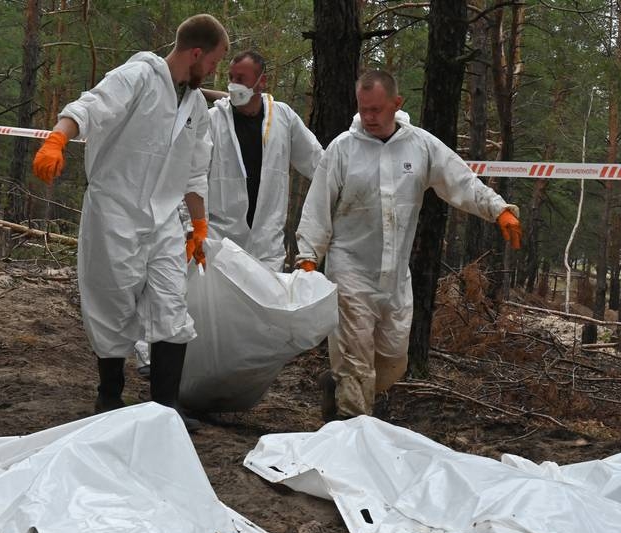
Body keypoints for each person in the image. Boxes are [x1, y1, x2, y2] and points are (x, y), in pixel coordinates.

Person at [31, 14, 229, 432]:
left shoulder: (195, 106)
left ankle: (165, 407)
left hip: (164, 218)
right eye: (212, 63)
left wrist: (199, 225)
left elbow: (195, 172)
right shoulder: (139, 76)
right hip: (116, 210)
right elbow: (91, 105)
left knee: (172, 302)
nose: (213, 73)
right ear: (196, 54)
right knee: (113, 301)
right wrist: (58, 137)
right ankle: (110, 397)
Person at [295, 70, 522, 420]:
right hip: (350, 273)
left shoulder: (421, 146)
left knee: (393, 361)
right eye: (363, 109)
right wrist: (309, 256)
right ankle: (351, 437)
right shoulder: (343, 149)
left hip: (395, 279)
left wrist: (499, 209)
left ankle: (338, 386)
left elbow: (459, 179)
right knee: (356, 364)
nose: (368, 117)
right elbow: (317, 206)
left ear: (396, 104)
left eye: (376, 110)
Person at [205, 50, 323, 271]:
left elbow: (318, 163)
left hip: (267, 245)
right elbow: (194, 177)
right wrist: (193, 228)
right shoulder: (213, 121)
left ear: (262, 82)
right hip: (219, 241)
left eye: (241, 79)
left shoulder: (283, 118)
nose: (233, 85)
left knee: (264, 304)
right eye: (231, 78)